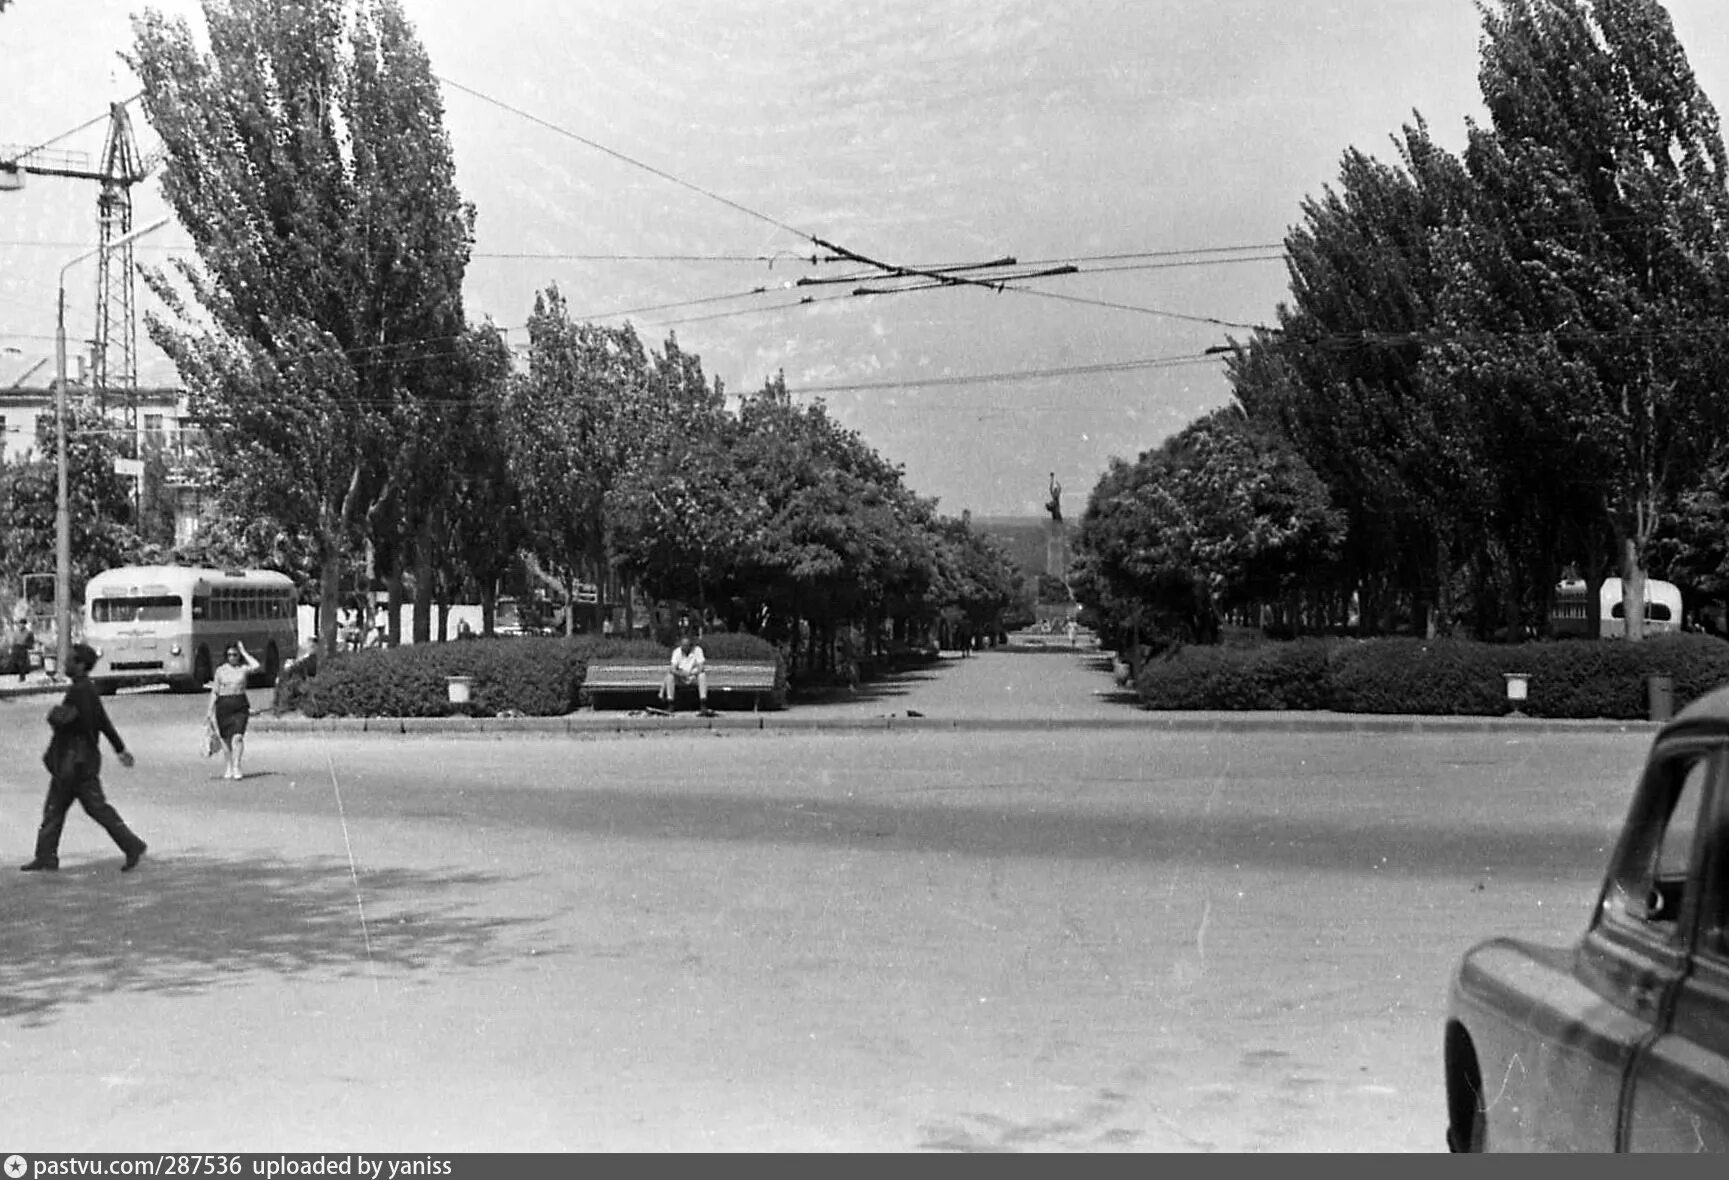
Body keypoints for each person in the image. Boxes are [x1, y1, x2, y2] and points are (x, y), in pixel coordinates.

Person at [21, 643, 146, 873]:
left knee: (77, 809)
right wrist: (120, 749)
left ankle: (132, 845)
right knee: (62, 809)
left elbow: (70, 721)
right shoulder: (87, 689)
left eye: (70, 660)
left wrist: (55, 715)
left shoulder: (79, 692)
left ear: (80, 665)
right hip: (79, 761)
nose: (65, 663)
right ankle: (46, 856)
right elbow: (103, 722)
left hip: (74, 762)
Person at [206, 640, 260, 781]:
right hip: (224, 705)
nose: (232, 657)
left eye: (235, 654)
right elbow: (215, 692)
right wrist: (209, 711)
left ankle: (237, 766)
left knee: (238, 737)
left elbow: (256, 665)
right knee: (226, 740)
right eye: (229, 654)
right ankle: (229, 765)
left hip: (240, 705)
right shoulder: (221, 670)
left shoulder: (243, 669)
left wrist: (244, 652)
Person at [661, 632, 714, 716]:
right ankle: (670, 703)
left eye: (686, 645)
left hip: (693, 677)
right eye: (683, 645)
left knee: (702, 675)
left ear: (690, 645)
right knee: (670, 677)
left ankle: (703, 704)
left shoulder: (698, 650)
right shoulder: (676, 652)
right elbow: (672, 668)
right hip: (681, 677)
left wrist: (691, 673)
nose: (684, 647)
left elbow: (701, 667)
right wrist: (681, 673)